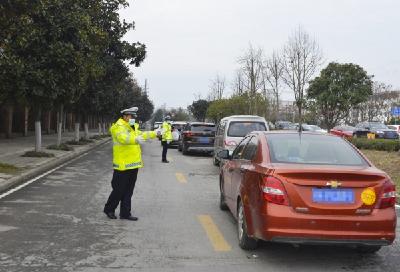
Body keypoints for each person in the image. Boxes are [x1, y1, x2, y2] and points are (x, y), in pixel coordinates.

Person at [104, 107, 156, 221]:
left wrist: (155, 133)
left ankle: (125, 213)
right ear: (125, 116)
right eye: (131, 117)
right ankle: (109, 209)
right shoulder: (117, 127)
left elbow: (142, 135)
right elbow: (123, 138)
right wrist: (135, 140)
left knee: (129, 191)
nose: (133, 119)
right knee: (118, 190)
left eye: (134, 117)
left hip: (133, 164)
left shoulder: (133, 127)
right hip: (122, 165)